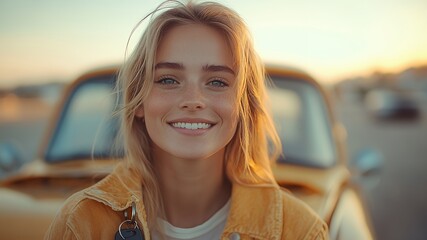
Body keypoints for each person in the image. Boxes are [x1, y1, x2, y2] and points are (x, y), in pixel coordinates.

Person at [45, 1, 328, 239]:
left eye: (217, 82)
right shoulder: (81, 223)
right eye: (168, 79)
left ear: (242, 104)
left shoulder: (300, 230)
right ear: (139, 101)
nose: (193, 99)